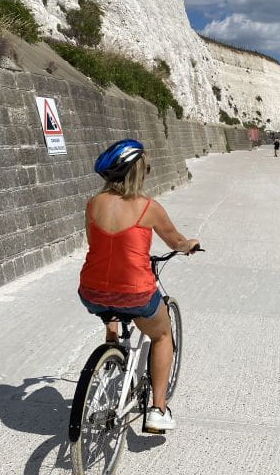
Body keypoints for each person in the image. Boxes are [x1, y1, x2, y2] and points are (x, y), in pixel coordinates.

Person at [78, 139, 199, 432]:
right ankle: (158, 409)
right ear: (136, 173)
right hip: (135, 293)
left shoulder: (92, 205)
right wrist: (189, 245)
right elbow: (176, 241)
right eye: (146, 167)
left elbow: (98, 246)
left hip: (91, 291)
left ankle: (111, 343)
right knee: (161, 334)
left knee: (110, 296)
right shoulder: (148, 208)